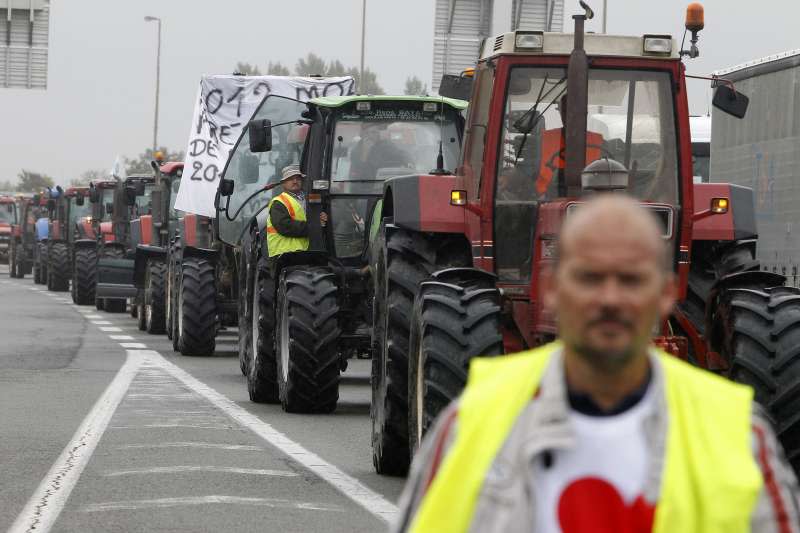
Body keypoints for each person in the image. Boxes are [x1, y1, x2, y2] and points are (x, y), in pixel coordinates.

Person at [395, 195, 800, 533]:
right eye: (589, 278)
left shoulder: (737, 435)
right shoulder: (472, 425)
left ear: (665, 293)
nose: (609, 298)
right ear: (552, 287)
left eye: (630, 280)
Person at [536, 93, 604, 199]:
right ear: (560, 113)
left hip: (592, 203)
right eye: (566, 111)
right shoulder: (543, 140)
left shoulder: (600, 143)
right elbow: (527, 169)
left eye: (576, 112)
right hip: (547, 202)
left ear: (585, 113)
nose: (571, 116)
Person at [265, 165, 327, 258]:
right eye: (290, 179)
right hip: (284, 255)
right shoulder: (278, 202)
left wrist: (323, 218)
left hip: (305, 251)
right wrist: (315, 226)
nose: (295, 181)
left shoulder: (309, 199)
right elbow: (285, 226)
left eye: (298, 178)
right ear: (283, 183)